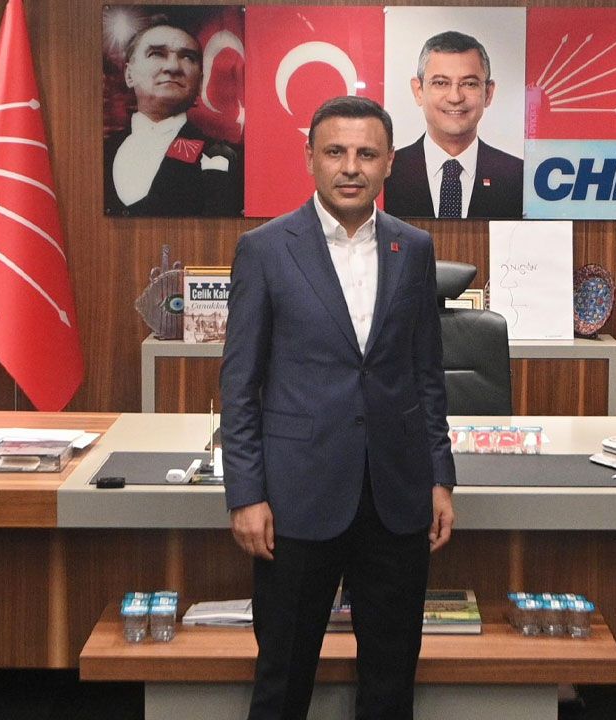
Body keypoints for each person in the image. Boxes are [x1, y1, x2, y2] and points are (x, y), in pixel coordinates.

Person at [220, 96, 456, 720]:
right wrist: (245, 493)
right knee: (282, 681)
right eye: (335, 152)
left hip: (395, 498)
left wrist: (439, 476)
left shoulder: (414, 248)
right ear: (310, 158)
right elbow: (240, 385)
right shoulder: (265, 249)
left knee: (390, 682)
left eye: (366, 153)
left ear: (389, 163)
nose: (351, 167)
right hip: (296, 500)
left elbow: (426, 375)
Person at [104, 15, 242, 216]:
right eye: (156, 54)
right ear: (129, 74)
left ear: (200, 83)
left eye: (188, 57)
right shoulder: (99, 153)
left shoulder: (226, 157)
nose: (173, 67)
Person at [384, 31, 523, 219]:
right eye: (441, 83)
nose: (455, 97)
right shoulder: (386, 173)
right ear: (418, 91)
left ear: (488, 93)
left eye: (469, 84)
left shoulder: (518, 176)